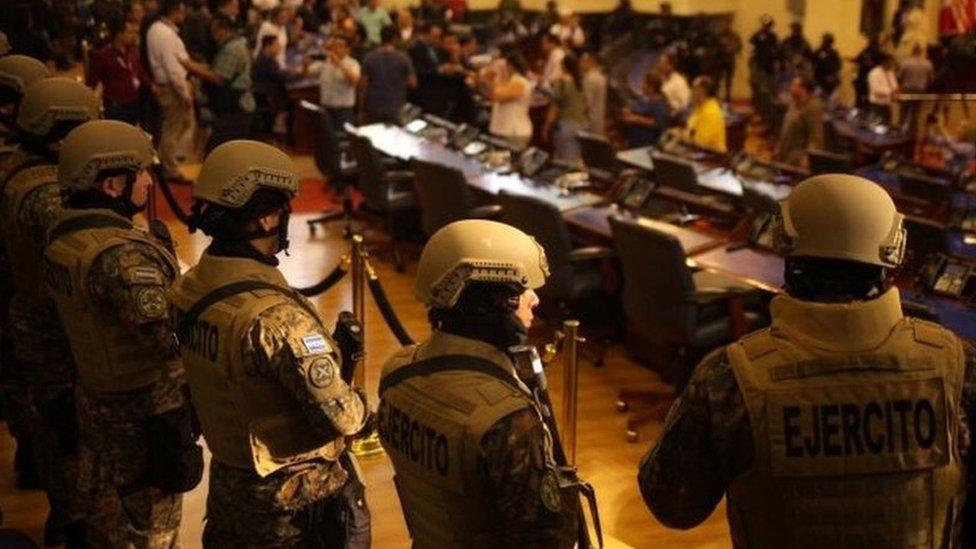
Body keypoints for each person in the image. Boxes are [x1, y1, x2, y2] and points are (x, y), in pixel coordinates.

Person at [638, 173, 976, 548]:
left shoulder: (729, 377)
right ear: (893, 251)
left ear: (786, 244)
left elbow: (672, 505)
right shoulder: (959, 366)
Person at [171, 139, 370, 546]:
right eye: (282, 210)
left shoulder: (189, 289)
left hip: (228, 488)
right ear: (264, 219)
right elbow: (344, 419)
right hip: (291, 511)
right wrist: (364, 406)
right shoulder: (278, 319)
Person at [378, 219, 580, 547]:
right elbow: (543, 540)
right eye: (522, 289)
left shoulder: (397, 372)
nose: (535, 300)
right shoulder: (507, 419)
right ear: (493, 300)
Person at [45, 119, 198, 548]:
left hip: (95, 402)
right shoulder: (124, 257)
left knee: (106, 520)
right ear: (113, 185)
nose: (149, 181)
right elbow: (170, 342)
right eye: (141, 173)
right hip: (144, 421)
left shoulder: (65, 235)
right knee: (150, 531)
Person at [1, 77, 100, 547]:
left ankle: (62, 504)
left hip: (29, 311)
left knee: (46, 420)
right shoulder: (48, 194)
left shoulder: (18, 170)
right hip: (54, 326)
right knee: (65, 427)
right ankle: (73, 518)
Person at [183, 15, 255, 152]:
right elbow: (213, 68)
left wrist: (189, 66)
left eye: (213, 31)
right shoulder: (233, 45)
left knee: (218, 149)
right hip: (231, 105)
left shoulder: (233, 48)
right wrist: (192, 64)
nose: (212, 35)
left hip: (237, 106)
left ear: (222, 30)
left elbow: (218, 77)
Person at [146, 0, 194, 182]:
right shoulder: (165, 33)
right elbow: (172, 68)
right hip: (171, 86)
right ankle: (169, 168)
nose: (183, 16)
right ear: (174, 11)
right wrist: (184, 92)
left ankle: (164, 161)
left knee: (173, 127)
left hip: (167, 84)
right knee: (172, 128)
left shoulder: (156, 29)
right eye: (181, 12)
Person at [87, 18, 154, 125]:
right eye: (130, 32)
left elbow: (140, 72)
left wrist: (152, 86)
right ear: (119, 34)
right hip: (115, 106)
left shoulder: (132, 52)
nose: (133, 36)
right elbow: (91, 82)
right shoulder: (104, 55)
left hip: (134, 103)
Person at [360, 25, 416, 124]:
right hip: (396, 107)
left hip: (373, 106)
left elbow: (363, 85)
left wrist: (360, 109)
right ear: (395, 38)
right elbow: (413, 83)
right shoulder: (404, 58)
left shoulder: (369, 57)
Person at [308, 34, 360, 128]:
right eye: (334, 45)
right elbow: (307, 72)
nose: (336, 48)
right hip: (326, 108)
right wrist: (306, 62)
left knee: (344, 139)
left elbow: (354, 81)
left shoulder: (352, 63)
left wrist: (339, 64)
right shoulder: (325, 62)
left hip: (344, 110)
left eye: (340, 46)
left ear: (347, 49)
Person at [544, 52, 588, 162]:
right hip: (582, 124)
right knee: (576, 158)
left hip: (566, 124)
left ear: (563, 66)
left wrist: (546, 126)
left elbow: (555, 107)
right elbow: (585, 105)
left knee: (566, 161)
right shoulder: (580, 82)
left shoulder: (561, 82)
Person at [484, 51, 533, 147]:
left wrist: (494, 79)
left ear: (510, 66)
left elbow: (498, 96)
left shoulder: (520, 82)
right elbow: (493, 95)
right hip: (501, 129)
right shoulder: (507, 82)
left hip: (514, 131)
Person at [774, 75, 824, 167]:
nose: (790, 88)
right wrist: (778, 148)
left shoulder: (813, 107)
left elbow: (815, 138)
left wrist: (806, 160)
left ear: (803, 89)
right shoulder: (794, 103)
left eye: (794, 85)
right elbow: (786, 129)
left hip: (797, 159)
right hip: (785, 156)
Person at [621, 70, 670, 148]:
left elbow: (658, 123)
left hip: (646, 144)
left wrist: (635, 119)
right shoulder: (644, 99)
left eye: (644, 83)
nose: (642, 85)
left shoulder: (659, 104)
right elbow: (635, 108)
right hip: (634, 141)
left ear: (651, 87)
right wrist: (628, 111)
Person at [407, 22, 446, 114]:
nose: (437, 39)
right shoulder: (416, 48)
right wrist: (438, 70)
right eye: (435, 36)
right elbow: (417, 70)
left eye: (439, 36)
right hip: (424, 90)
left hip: (436, 88)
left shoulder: (435, 48)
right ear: (426, 34)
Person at [749, 14, 779, 129]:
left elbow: (776, 53)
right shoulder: (756, 36)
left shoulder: (773, 37)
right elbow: (752, 52)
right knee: (759, 93)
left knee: (769, 96)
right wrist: (753, 68)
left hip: (769, 70)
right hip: (759, 69)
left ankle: (767, 121)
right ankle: (758, 116)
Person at [898, 44, 934, 131]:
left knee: (903, 112)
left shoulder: (905, 63)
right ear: (921, 52)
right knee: (915, 113)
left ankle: (899, 132)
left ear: (912, 51)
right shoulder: (928, 64)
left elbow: (899, 77)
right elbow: (931, 79)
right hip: (920, 90)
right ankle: (912, 134)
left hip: (906, 90)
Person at [686, 75, 725, 152]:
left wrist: (684, 137)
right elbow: (691, 130)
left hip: (712, 157)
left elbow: (702, 142)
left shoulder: (711, 111)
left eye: (694, 89)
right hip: (697, 151)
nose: (691, 92)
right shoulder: (700, 107)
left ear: (702, 91)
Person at [868, 53, 899, 124]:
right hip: (877, 105)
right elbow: (876, 90)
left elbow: (894, 85)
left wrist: (896, 91)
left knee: (887, 126)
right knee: (876, 128)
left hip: (887, 105)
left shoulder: (890, 73)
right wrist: (891, 92)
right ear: (884, 62)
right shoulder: (874, 73)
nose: (892, 64)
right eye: (890, 62)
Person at [580, 51, 607, 135]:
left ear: (588, 62)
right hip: (598, 118)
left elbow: (586, 104)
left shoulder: (590, 78)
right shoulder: (601, 77)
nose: (579, 64)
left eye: (581, 61)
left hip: (589, 121)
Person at [715, 19, 742, 101]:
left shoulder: (735, 35)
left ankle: (728, 95)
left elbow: (739, 46)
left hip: (730, 60)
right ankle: (716, 95)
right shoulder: (719, 36)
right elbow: (715, 47)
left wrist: (733, 48)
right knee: (718, 79)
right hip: (720, 59)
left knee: (729, 79)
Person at [812, 32, 841, 99]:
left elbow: (838, 66)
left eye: (824, 40)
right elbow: (812, 62)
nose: (822, 42)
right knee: (817, 101)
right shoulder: (818, 51)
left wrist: (832, 76)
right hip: (819, 82)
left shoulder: (834, 53)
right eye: (823, 40)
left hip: (831, 84)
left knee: (830, 103)